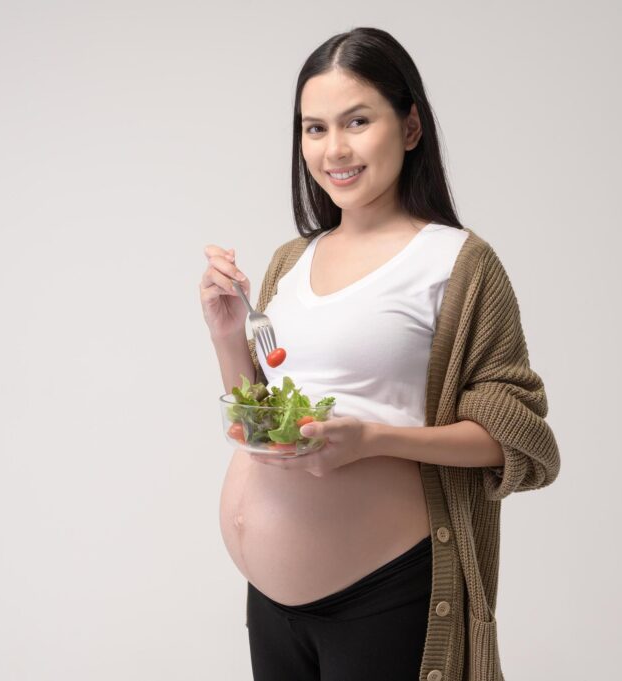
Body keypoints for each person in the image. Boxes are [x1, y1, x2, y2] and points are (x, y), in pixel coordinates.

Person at [199, 27, 560, 681]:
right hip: (273, 604)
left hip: (384, 595)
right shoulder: (291, 259)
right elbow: (259, 412)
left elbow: (516, 434)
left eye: (356, 121)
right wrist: (227, 331)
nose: (333, 148)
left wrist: (372, 439)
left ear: (411, 125)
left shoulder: (458, 263)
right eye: (314, 128)